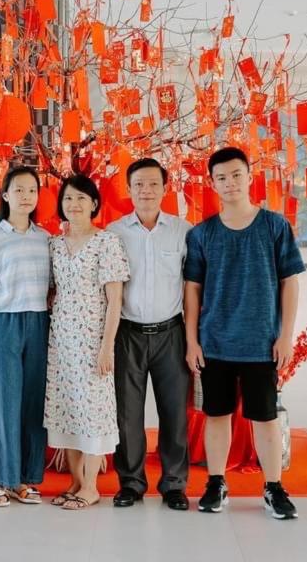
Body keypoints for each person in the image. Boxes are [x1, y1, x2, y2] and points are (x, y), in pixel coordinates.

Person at [184, 146, 305, 520]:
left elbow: (290, 282)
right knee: (216, 415)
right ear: (212, 184)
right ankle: (216, 483)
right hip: (214, 342)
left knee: (266, 417)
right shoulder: (202, 234)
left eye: (236, 175)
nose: (230, 183)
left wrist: (285, 336)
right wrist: (191, 340)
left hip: (261, 343)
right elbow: (192, 290)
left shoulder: (274, 226)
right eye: (221, 177)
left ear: (250, 177)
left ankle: (274, 487)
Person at [107, 158, 193, 511]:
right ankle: (131, 482)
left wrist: (193, 339)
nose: (146, 190)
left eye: (153, 184)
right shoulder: (113, 233)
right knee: (127, 414)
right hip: (127, 333)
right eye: (139, 184)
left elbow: (193, 288)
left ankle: (174, 484)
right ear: (128, 189)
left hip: (171, 333)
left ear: (165, 188)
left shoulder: (183, 231)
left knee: (174, 412)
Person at [43, 174, 129, 510]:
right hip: (61, 342)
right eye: (68, 198)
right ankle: (76, 482)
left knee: (94, 412)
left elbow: (115, 300)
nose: (74, 204)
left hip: (93, 342)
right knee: (68, 411)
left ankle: (91, 486)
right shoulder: (54, 245)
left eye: (81, 198)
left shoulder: (106, 242)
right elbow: (49, 290)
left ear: (94, 203)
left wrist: (107, 347)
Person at [0, 166, 51, 507]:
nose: (26, 196)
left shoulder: (46, 239)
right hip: (3, 324)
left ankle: (25, 480)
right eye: (18, 190)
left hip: (39, 322)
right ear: (5, 196)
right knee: (4, 404)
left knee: (33, 403)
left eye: (32, 190)